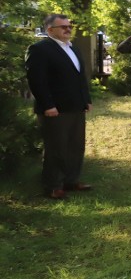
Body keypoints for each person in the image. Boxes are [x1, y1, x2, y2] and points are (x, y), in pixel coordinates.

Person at [25, 14, 93, 199]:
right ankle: (53, 186)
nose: (68, 29)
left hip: (76, 107)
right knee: (56, 148)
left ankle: (71, 181)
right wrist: (48, 105)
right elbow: (37, 80)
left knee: (75, 146)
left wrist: (86, 99)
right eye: (63, 27)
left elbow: (80, 78)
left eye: (69, 26)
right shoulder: (40, 49)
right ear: (50, 30)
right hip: (55, 110)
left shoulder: (74, 49)